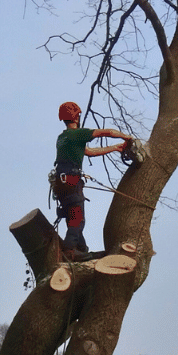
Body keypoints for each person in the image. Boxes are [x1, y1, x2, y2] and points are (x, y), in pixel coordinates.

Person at [52, 101, 135, 258]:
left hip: (60, 183)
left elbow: (89, 152)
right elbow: (107, 132)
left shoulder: (62, 138)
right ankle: (69, 251)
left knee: (72, 216)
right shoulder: (78, 134)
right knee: (78, 219)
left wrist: (115, 148)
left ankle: (81, 251)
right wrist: (127, 137)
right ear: (76, 117)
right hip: (71, 180)